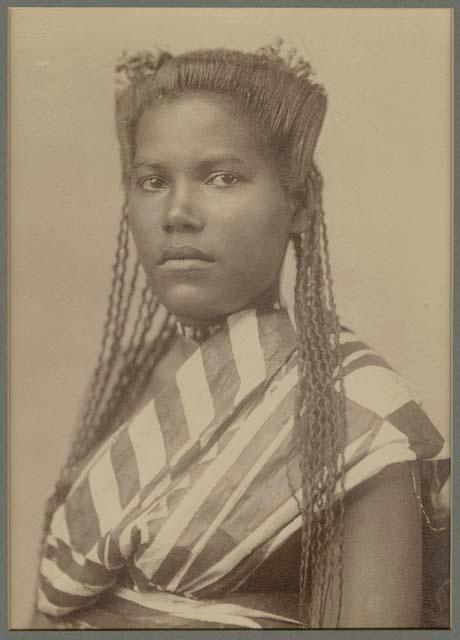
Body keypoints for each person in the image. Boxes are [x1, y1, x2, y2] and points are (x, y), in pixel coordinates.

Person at [33, 41, 449, 629]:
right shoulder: (124, 376)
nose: (178, 212)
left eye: (222, 177)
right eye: (152, 180)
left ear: (298, 205)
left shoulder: (355, 416)